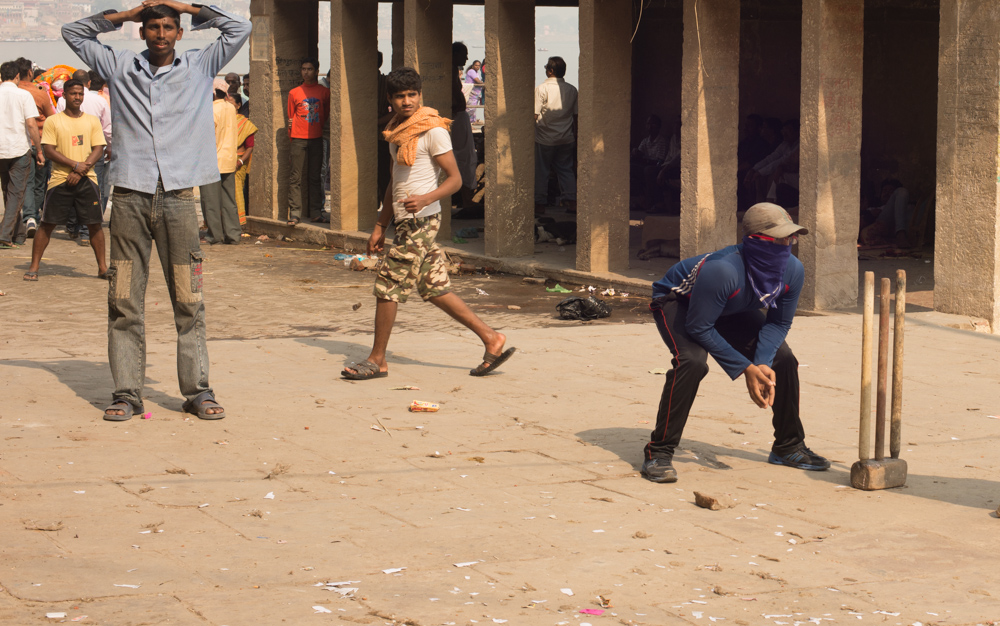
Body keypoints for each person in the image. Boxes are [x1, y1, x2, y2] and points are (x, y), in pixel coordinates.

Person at [63, 0, 251, 421]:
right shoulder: (119, 66)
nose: (161, 34)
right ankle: (127, 393)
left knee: (189, 298)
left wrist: (189, 6)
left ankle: (198, 390)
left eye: (169, 27)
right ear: (143, 32)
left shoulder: (201, 66)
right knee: (124, 300)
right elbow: (74, 33)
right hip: (130, 196)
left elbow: (239, 27)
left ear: (180, 33)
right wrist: (125, 16)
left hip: (180, 200)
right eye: (153, 27)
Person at [342, 67, 516, 381]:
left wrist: (425, 198)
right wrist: (381, 225)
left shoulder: (433, 130)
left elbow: (456, 180)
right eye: (399, 96)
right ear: (390, 100)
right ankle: (492, 339)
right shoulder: (397, 131)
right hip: (406, 221)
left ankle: (377, 359)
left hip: (422, 219)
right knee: (433, 287)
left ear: (420, 96)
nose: (406, 101)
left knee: (388, 287)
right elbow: (395, 179)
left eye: (412, 94)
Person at [640, 202, 831, 483]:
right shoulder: (723, 270)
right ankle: (659, 452)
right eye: (779, 238)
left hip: (731, 307)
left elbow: (778, 323)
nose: (787, 245)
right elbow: (699, 326)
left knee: (784, 359)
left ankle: (788, 446)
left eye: (791, 238)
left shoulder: (793, 270)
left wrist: (762, 363)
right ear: (755, 241)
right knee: (692, 363)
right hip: (680, 302)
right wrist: (745, 368)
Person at [23, 79, 107, 282]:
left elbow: (99, 148)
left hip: (87, 179)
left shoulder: (92, 121)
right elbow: (49, 150)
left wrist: (80, 169)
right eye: (73, 94)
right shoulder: (54, 121)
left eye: (80, 94)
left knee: (94, 224)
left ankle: (103, 268)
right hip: (60, 180)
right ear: (65, 95)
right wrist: (73, 165)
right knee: (47, 224)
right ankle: (34, 266)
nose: (77, 97)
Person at [57, 69, 112, 239]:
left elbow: (59, 124)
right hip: (95, 152)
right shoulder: (100, 101)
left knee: (72, 186)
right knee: (95, 190)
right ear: (88, 83)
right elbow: (107, 129)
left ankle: (74, 226)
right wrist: (109, 147)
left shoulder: (61, 100)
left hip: (70, 150)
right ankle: (87, 228)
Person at [0, 60, 44, 248]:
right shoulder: (23, 95)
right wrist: (39, 150)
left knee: (8, 191)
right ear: (17, 76)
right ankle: (4, 235)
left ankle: (18, 234)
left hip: (2, 149)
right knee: (16, 193)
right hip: (18, 149)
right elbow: (32, 124)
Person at [15, 57, 56, 240]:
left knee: (27, 183)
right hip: (40, 141)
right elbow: (52, 117)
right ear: (30, 72)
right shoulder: (40, 93)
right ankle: (35, 217)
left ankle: (29, 217)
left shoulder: (13, 92)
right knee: (40, 183)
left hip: (21, 143)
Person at [286, 57, 329, 226]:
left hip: (316, 138)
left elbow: (325, 115)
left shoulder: (324, 92)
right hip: (298, 139)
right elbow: (291, 116)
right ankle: (295, 213)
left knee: (315, 176)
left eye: (310, 69)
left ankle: (316, 212)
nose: (306, 72)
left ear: (317, 71)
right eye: (303, 69)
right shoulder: (294, 92)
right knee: (295, 177)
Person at [534, 56, 578, 214]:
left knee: (541, 171)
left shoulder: (541, 89)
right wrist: (576, 136)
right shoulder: (572, 90)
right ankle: (572, 201)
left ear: (550, 71)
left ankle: (539, 204)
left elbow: (534, 114)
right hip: (566, 138)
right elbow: (576, 116)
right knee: (566, 170)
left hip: (544, 138)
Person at [200, 78, 240, 245]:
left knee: (210, 201)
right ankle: (233, 234)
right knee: (229, 200)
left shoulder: (210, 110)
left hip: (212, 160)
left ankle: (215, 235)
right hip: (229, 159)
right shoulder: (231, 108)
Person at [744, 120, 799, 205]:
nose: (785, 133)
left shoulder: (799, 145)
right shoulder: (785, 144)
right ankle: (759, 205)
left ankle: (770, 205)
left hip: (795, 175)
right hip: (782, 169)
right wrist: (754, 170)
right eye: (784, 131)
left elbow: (782, 161)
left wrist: (760, 172)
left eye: (789, 131)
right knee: (758, 177)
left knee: (773, 176)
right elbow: (771, 158)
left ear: (797, 132)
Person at [861, 179, 911, 248]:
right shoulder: (874, 205)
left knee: (902, 191)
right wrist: (870, 214)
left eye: (891, 191)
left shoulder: (902, 202)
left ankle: (900, 233)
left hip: (897, 222)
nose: (887, 193)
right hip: (882, 222)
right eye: (885, 191)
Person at [233, 98, 257, 226]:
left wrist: (240, 162)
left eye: (231, 104)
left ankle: (239, 223)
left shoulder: (245, 124)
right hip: (223, 160)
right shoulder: (223, 121)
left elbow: (250, 146)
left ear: (238, 105)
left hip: (238, 161)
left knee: (237, 192)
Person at [464, 60, 483, 124]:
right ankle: (468, 124)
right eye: (476, 65)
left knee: (472, 110)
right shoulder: (471, 71)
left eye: (479, 66)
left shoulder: (477, 73)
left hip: (475, 95)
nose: (477, 67)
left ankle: (470, 124)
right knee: (470, 109)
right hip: (472, 94)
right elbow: (477, 81)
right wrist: (484, 84)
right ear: (473, 65)